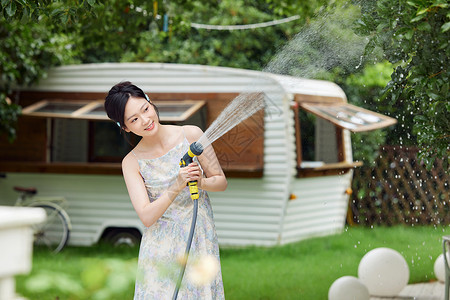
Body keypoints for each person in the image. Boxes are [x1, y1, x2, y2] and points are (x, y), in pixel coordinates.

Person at [104, 81, 227, 299]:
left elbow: (220, 182)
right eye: (134, 119)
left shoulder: (191, 135)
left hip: (199, 237)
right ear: (124, 127)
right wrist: (176, 185)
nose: (145, 120)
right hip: (160, 249)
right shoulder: (131, 162)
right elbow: (147, 216)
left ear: (150, 102)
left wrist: (200, 182)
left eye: (145, 109)